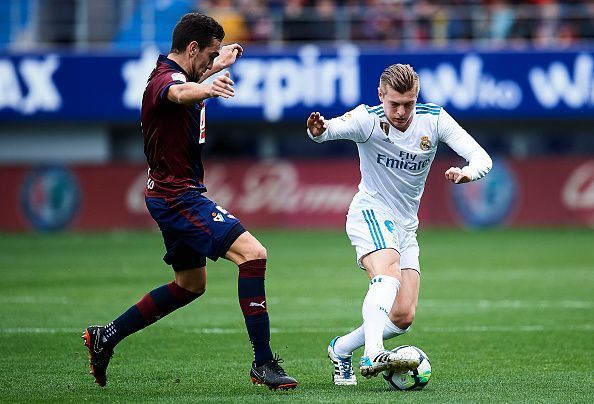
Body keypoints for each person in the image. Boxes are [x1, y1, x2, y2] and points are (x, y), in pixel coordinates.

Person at [82, 12, 298, 391]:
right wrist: (211, 87)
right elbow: (179, 91)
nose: (213, 62)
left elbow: (190, 78)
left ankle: (107, 336)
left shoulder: (183, 71)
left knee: (189, 284)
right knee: (253, 254)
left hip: (171, 194)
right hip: (176, 196)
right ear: (193, 48)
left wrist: (218, 64)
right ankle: (263, 363)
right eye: (209, 54)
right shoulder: (164, 81)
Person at [306, 63, 492, 385]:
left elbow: (481, 158)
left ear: (417, 97)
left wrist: (468, 173)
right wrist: (317, 130)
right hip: (371, 211)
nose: (402, 111)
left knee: (403, 315)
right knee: (387, 275)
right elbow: (328, 131)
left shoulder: (433, 120)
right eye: (394, 103)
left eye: (409, 103)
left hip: (407, 226)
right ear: (381, 95)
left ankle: (341, 349)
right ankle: (374, 352)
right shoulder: (368, 119)